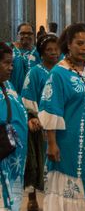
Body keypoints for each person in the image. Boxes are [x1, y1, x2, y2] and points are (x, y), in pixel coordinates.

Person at [38, 23, 85, 209]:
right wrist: (51, 143)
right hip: (69, 142)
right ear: (68, 44)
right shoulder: (58, 74)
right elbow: (51, 110)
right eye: (80, 43)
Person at [21, 35, 60, 211]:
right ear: (42, 54)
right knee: (37, 161)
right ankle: (32, 196)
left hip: (60, 124)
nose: (53, 53)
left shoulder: (63, 70)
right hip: (40, 124)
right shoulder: (35, 72)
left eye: (56, 49)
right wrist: (36, 118)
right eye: (49, 50)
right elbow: (28, 98)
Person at [0, 42, 28, 211]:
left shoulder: (8, 85)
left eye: (12, 63)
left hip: (14, 162)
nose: (11, 68)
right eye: (6, 63)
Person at [9, 23, 40, 93]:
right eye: (22, 33)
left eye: (29, 33)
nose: (26, 36)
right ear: (17, 35)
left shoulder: (38, 53)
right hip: (12, 96)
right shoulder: (10, 50)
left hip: (32, 96)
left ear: (33, 35)